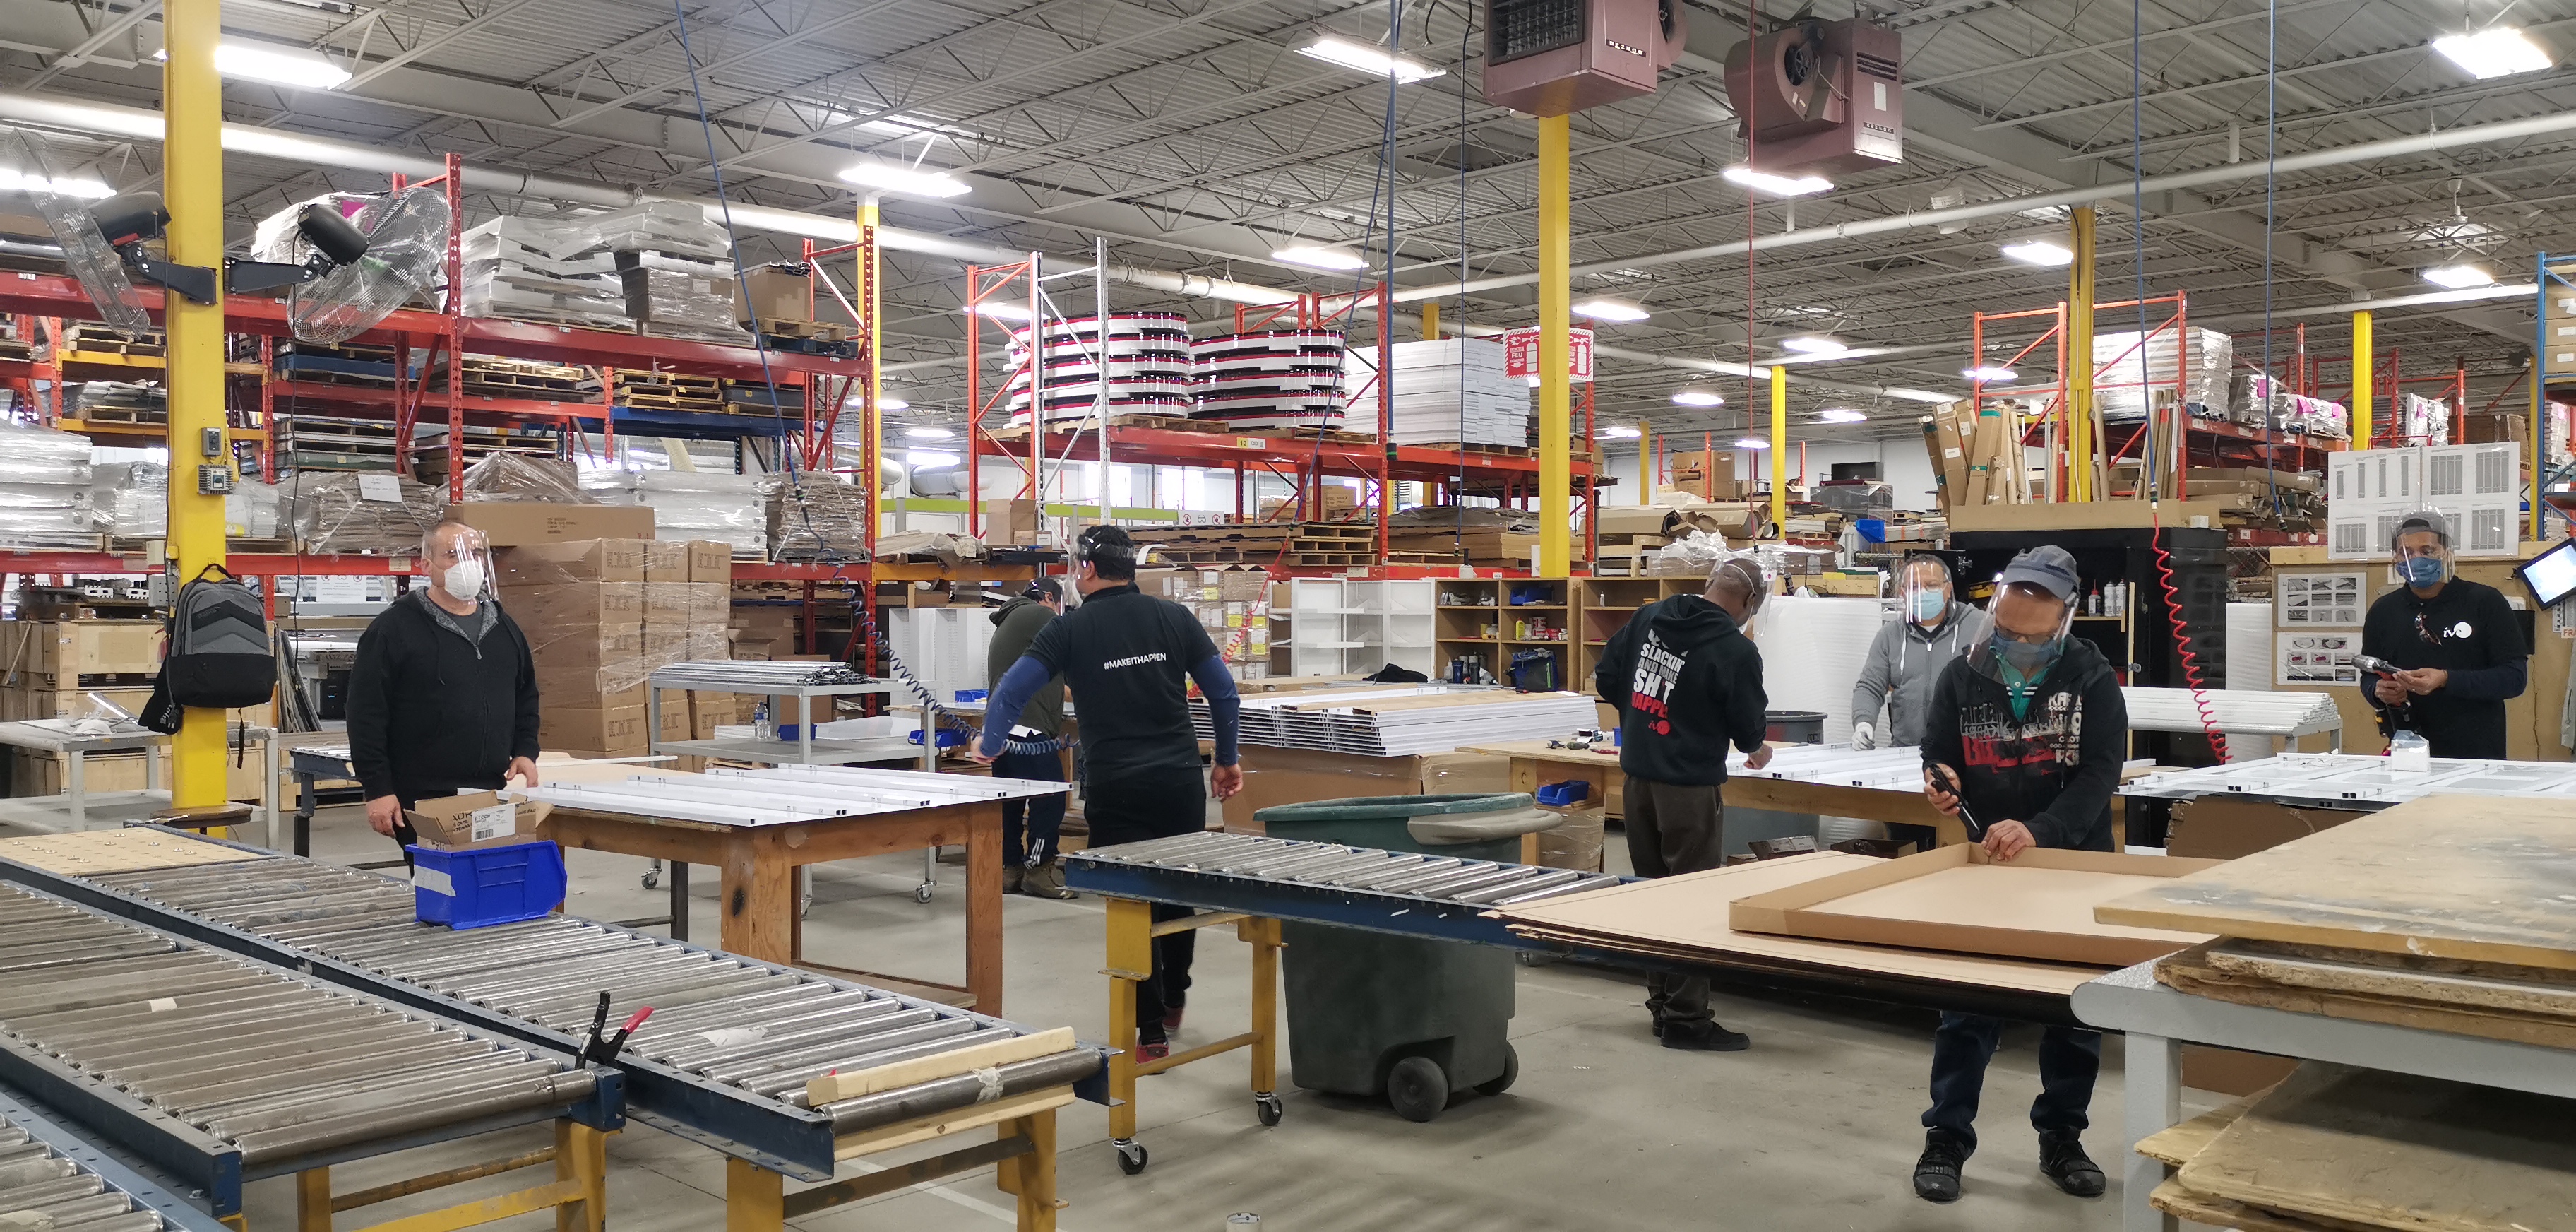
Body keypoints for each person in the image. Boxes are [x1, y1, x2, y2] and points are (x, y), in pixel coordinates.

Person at [974, 526, 1243, 1062]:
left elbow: (1011, 690)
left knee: (1130, 905)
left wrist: (992, 740)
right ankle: (1174, 995)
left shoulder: (1068, 629)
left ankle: (1150, 1033)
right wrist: (1227, 759)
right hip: (1178, 783)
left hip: (1116, 788)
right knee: (1177, 892)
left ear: (1088, 569)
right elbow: (1223, 692)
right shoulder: (1175, 618)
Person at [1912, 545, 2125, 1204]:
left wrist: (2042, 830)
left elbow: (2101, 774)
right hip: (1989, 863)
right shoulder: (1963, 674)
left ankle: (2062, 1137)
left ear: (2064, 619)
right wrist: (1940, 782)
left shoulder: (2092, 678)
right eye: (2006, 630)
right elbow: (1936, 751)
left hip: (2072, 865)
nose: (2016, 644)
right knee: (1967, 1008)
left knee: (2073, 1012)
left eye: (2032, 637)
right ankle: (1946, 1137)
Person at [1592, 553, 1772, 1053]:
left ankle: (1662, 1005)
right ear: (1749, 602)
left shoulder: (1649, 617)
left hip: (1637, 782)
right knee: (1693, 901)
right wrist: (1756, 747)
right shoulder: (1734, 650)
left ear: (1710, 583)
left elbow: (1607, 677)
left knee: (1653, 895)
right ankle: (1687, 1020)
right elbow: (1747, 725)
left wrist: (1647, 720)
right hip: (1689, 790)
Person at [347, 519, 541, 863]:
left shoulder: (503, 626)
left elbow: (525, 694)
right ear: (426, 565)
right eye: (453, 555)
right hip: (422, 794)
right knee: (439, 883)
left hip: (488, 789)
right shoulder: (393, 629)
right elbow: (366, 714)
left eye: (475, 554)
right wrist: (377, 789)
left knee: (487, 878)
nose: (468, 563)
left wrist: (525, 749)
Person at [2360, 510, 2528, 759]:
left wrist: (2446, 679)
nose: (2416, 559)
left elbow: (2514, 679)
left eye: (2427, 551)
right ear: (2395, 558)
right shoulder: (2383, 611)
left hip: (2476, 754)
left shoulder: (2485, 602)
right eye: (2407, 552)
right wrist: (2378, 690)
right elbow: (2368, 677)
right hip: (2407, 752)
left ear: (2447, 554)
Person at [986, 576, 1075, 899]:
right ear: (1049, 598)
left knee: (1010, 801)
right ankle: (1039, 869)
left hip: (1005, 726)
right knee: (1050, 796)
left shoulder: (1014, 617)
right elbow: (1076, 650)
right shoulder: (1040, 615)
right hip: (1028, 726)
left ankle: (1009, 868)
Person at [1852, 553, 1984, 750]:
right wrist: (1863, 722)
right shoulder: (1891, 635)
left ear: (1948, 589)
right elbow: (1870, 686)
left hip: (1966, 753)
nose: (1922, 593)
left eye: (1931, 585)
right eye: (1914, 587)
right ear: (1903, 593)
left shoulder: (1980, 628)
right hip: (1907, 751)